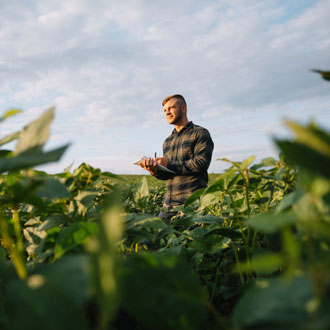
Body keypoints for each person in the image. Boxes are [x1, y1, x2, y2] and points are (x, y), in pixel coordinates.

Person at [139, 94, 214, 222]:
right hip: (169, 203)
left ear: (183, 108)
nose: (167, 112)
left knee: (189, 240)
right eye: (164, 110)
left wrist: (168, 164)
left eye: (171, 108)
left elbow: (201, 163)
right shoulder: (167, 141)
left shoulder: (200, 133)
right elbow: (168, 175)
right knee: (160, 237)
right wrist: (154, 170)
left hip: (192, 203)